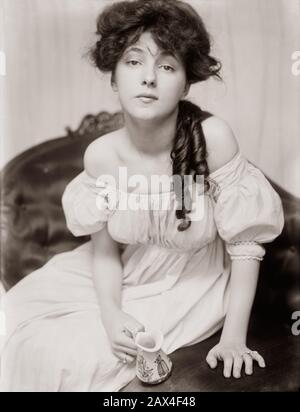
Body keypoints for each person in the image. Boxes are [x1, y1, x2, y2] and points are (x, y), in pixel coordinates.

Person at [0, 0, 284, 392]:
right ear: (114, 78)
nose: (148, 77)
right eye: (133, 62)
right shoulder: (101, 155)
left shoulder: (213, 138)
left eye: (166, 66)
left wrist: (233, 337)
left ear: (185, 83)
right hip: (121, 271)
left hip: (193, 282)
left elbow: (245, 244)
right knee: (10, 318)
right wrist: (111, 312)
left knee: (78, 357)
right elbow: (104, 251)